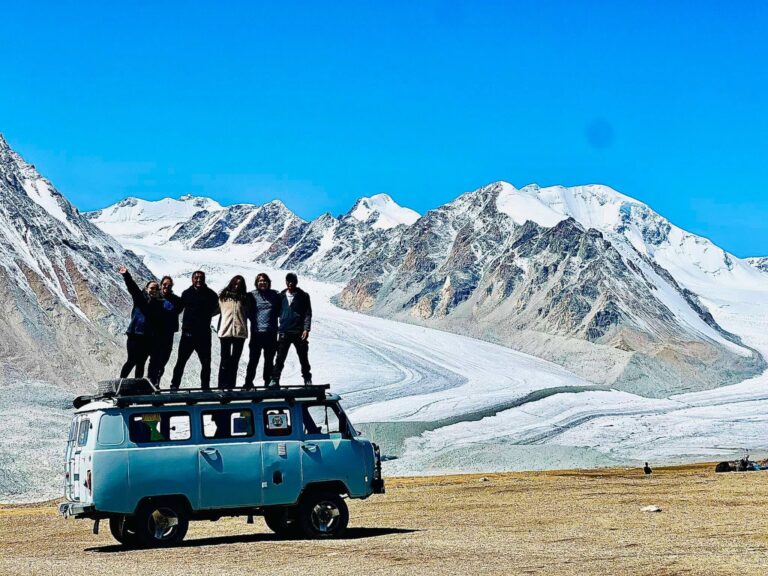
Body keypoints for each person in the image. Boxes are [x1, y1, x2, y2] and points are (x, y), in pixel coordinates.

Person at [170, 270, 219, 390]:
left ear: (204, 279)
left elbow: (216, 309)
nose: (198, 280)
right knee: (181, 361)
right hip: (188, 334)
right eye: (196, 278)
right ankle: (174, 385)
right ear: (192, 279)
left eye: (201, 278)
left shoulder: (211, 295)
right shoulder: (186, 293)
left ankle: (205, 387)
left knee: (206, 363)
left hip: (204, 335)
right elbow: (179, 308)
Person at [118, 266, 163, 379]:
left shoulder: (158, 304)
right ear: (146, 289)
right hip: (135, 335)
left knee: (141, 362)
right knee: (131, 360)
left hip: (148, 337)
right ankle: (121, 382)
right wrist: (126, 275)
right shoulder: (140, 299)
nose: (153, 291)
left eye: (156, 289)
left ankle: (137, 386)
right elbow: (132, 288)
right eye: (151, 288)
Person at [270, 272, 312, 387]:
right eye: (288, 281)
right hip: (284, 331)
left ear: (296, 282)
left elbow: (307, 313)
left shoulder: (303, 296)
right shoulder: (281, 296)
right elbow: (275, 312)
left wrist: (306, 329)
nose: (290, 283)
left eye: (292, 281)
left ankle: (307, 378)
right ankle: (275, 379)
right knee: (280, 358)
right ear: (286, 282)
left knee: (303, 357)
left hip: (299, 331)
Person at [243, 273, 280, 389]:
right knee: (253, 360)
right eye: (260, 281)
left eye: (264, 281)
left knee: (269, 360)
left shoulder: (275, 295)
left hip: (271, 333)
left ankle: (267, 382)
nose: (262, 283)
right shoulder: (251, 295)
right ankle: (248, 382)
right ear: (256, 283)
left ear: (268, 282)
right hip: (256, 333)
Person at [146, 275, 184, 386]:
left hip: (168, 333)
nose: (166, 287)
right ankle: (149, 383)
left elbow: (179, 309)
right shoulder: (155, 298)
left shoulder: (176, 300)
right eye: (165, 284)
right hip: (156, 333)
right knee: (154, 359)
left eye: (169, 285)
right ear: (161, 285)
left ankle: (156, 382)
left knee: (164, 359)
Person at [216, 275, 248, 389]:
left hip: (240, 333)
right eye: (235, 283)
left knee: (234, 361)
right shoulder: (223, 297)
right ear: (231, 283)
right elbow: (213, 310)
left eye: (239, 284)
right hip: (225, 332)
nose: (236, 286)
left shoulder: (245, 298)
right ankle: (221, 386)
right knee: (224, 360)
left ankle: (231, 386)